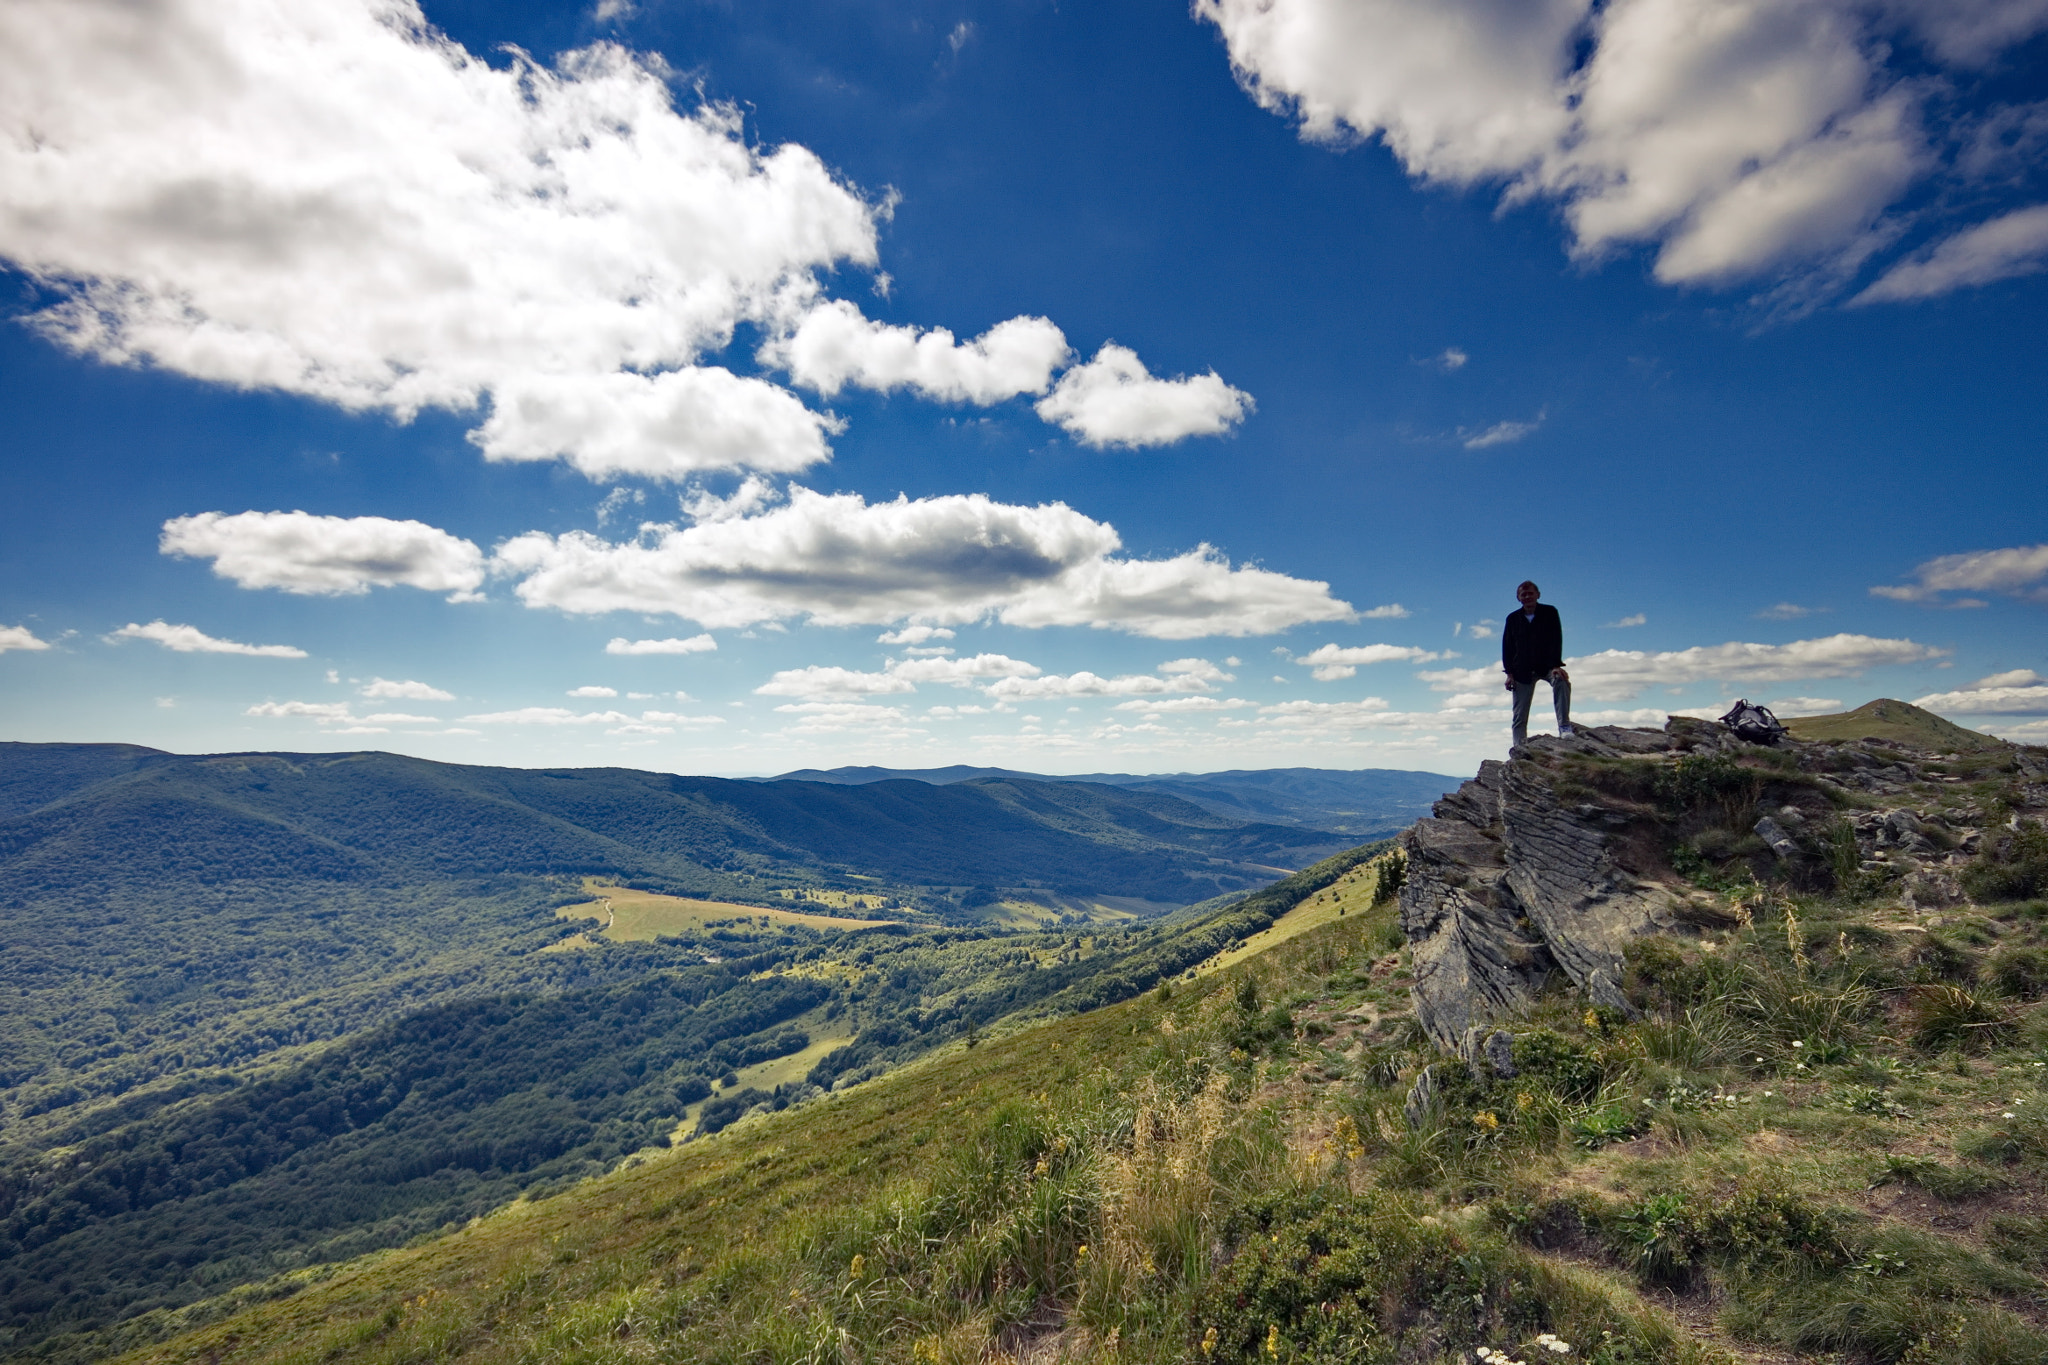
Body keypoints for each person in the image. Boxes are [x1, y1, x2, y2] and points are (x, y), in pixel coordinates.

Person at [1502, 580, 1573, 749]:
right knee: (1519, 715)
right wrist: (1509, 673)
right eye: (1523, 594)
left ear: (1538, 595)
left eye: (1530, 593)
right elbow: (1507, 647)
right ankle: (1520, 747)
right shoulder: (1513, 619)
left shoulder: (1549, 612)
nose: (1527, 597)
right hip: (1522, 670)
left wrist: (1556, 665)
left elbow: (1556, 639)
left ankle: (1564, 727)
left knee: (1561, 681)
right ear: (1518, 598)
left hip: (1547, 665)